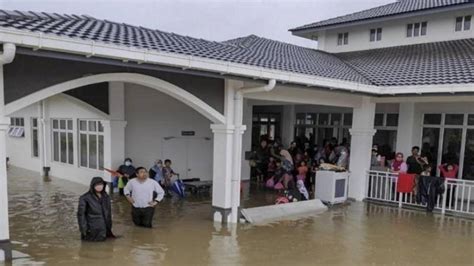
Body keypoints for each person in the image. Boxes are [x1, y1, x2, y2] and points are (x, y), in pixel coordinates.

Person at [77, 177, 114, 241]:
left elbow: (108, 213)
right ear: (93, 185)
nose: (99, 186)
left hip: (104, 229)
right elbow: (81, 215)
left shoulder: (106, 196)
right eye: (97, 185)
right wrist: (84, 229)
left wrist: (109, 226)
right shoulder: (85, 198)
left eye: (101, 184)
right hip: (91, 230)